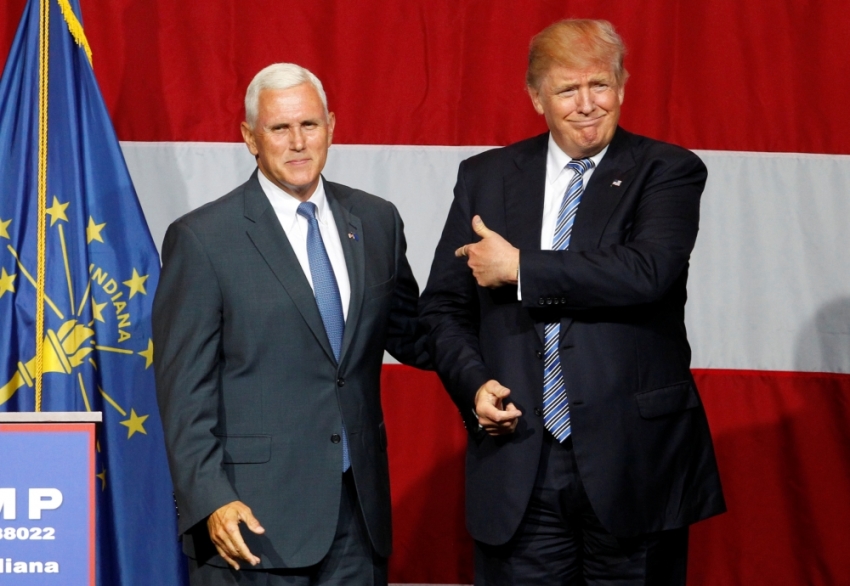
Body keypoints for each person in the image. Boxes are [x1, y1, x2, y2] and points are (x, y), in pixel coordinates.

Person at [420, 19, 725, 585]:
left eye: (599, 85)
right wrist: (474, 384)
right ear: (536, 97)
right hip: (519, 460)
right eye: (567, 89)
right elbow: (442, 308)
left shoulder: (667, 169)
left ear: (622, 86)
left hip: (633, 464)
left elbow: (646, 271)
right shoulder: (485, 177)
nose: (587, 104)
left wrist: (520, 268)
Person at [153, 63, 429, 586]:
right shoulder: (203, 238)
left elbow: (414, 334)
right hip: (252, 520)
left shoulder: (375, 220)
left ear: (332, 126)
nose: (298, 142)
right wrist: (211, 498)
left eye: (310, 125)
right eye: (280, 128)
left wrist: (500, 311)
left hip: (357, 519)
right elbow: (183, 391)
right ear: (250, 138)